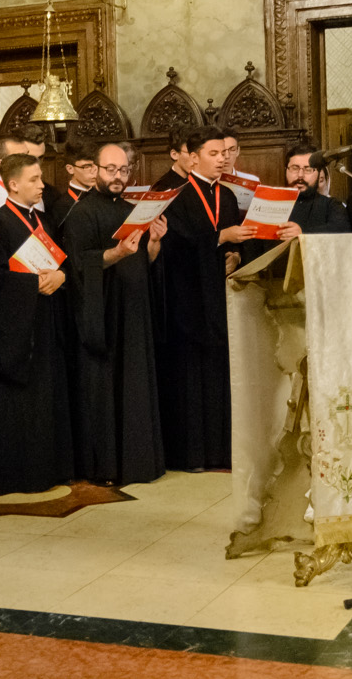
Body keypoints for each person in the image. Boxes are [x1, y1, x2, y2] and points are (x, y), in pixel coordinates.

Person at [63, 140, 166, 485]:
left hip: (135, 312)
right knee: (108, 390)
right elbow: (78, 266)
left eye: (124, 170)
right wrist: (116, 254)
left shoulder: (132, 209)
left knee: (136, 386)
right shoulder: (81, 213)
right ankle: (108, 467)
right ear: (94, 171)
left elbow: (144, 265)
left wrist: (153, 245)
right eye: (111, 169)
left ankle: (140, 463)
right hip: (104, 314)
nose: (118, 176)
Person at [152, 127, 253, 471]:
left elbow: (232, 241)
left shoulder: (225, 194)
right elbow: (173, 245)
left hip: (217, 296)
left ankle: (221, 450)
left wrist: (235, 253)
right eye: (214, 153)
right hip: (184, 298)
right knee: (189, 379)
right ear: (193, 157)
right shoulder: (172, 193)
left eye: (225, 153)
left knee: (218, 374)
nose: (223, 158)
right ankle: (191, 454)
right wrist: (219, 236)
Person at [0, 152, 74, 494]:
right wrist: (34, 284)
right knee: (18, 402)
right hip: (15, 329)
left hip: (44, 320)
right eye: (33, 179)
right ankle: (20, 475)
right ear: (13, 184)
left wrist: (60, 276)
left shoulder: (42, 221)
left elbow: (60, 261)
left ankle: (51, 469)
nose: (41, 184)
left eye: (40, 177)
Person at [285, 147, 349, 235]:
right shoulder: (272, 204)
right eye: (295, 168)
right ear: (286, 170)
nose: (300, 175)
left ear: (319, 173)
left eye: (308, 170)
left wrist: (303, 233)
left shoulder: (332, 206)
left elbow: (341, 229)